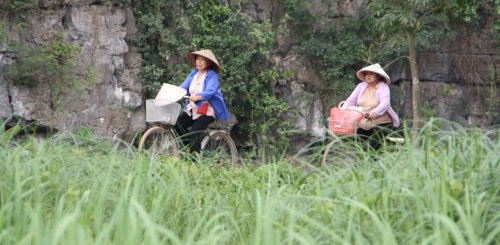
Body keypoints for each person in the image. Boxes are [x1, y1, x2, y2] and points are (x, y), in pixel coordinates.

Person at [175, 49, 229, 153]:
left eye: (202, 60)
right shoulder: (193, 74)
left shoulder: (211, 75)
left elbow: (210, 91)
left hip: (206, 111)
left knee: (194, 133)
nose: (199, 62)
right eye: (198, 59)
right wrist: (174, 92)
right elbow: (183, 87)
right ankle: (190, 146)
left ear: (208, 63)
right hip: (193, 108)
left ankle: (194, 159)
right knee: (177, 124)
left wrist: (198, 97)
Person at [345, 63, 400, 150]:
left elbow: (385, 103)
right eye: (366, 74)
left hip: (382, 123)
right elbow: (350, 101)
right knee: (358, 146)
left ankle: (373, 161)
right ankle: (360, 162)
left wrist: (375, 112)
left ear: (378, 76)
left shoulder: (383, 87)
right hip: (364, 122)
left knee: (372, 147)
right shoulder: (361, 86)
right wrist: (345, 107)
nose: (368, 76)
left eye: (371, 74)